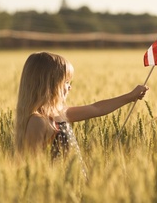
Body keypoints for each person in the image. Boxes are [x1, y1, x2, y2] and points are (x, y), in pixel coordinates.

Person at [15, 51, 149, 156]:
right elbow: (33, 166)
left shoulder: (60, 113)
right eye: (66, 82)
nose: (69, 87)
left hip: (76, 183)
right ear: (49, 85)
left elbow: (97, 108)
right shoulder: (38, 122)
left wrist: (131, 96)